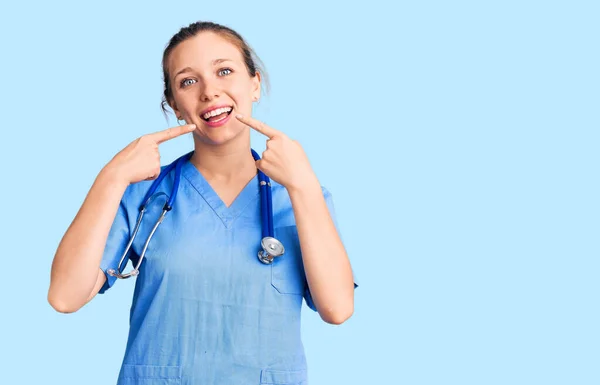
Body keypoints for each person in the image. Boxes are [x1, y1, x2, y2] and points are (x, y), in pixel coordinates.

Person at [48, 21, 358, 384]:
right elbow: (65, 297)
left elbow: (337, 309)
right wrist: (111, 176)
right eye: (188, 81)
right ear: (175, 106)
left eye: (224, 71)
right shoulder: (143, 194)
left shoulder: (301, 196)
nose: (210, 91)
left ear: (254, 84)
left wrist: (303, 185)